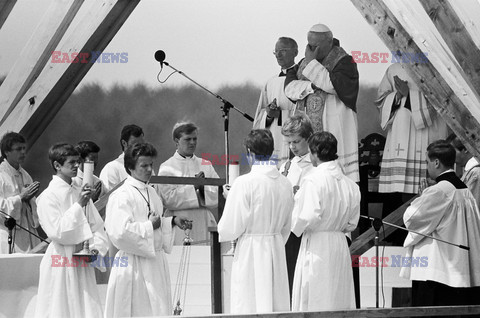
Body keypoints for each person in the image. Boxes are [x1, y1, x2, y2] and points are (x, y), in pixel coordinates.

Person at [104, 142, 192, 317]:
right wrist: (149, 226)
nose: (149, 170)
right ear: (130, 167)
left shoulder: (151, 192)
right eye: (144, 166)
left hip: (154, 262)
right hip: (133, 264)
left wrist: (172, 221)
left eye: (151, 165)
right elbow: (119, 232)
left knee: (157, 309)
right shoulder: (122, 195)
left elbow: (157, 221)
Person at [218, 129, 294, 314]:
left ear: (249, 152)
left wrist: (230, 198)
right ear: (271, 151)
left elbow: (230, 227)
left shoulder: (244, 183)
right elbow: (287, 225)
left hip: (251, 250)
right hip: (275, 247)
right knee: (274, 302)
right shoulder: (285, 183)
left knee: (249, 301)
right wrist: (273, 237)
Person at [400, 140, 480, 307]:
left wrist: (422, 197)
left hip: (437, 270)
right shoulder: (463, 189)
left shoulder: (439, 190)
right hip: (459, 265)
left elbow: (412, 218)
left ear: (436, 162)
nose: (426, 166)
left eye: (427, 162)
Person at [35, 143, 108, 317]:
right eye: (72, 162)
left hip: (82, 260)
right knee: (61, 307)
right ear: (57, 165)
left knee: (85, 306)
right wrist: (78, 206)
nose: (77, 166)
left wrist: (96, 247)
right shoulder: (47, 196)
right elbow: (57, 232)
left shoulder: (80, 190)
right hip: (61, 259)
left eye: (78, 161)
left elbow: (96, 225)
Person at [291, 131, 360, 311]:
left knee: (317, 293)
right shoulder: (350, 184)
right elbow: (352, 223)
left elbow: (307, 217)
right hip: (339, 243)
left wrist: (295, 225)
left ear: (314, 153)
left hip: (318, 244)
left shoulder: (313, 180)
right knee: (338, 294)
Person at [284, 23, 359, 182]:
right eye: (309, 45)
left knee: (335, 178)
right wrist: (311, 85)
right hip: (308, 125)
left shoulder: (345, 61)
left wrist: (312, 64)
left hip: (334, 124)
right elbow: (289, 89)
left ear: (329, 42)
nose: (312, 49)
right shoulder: (303, 62)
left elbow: (333, 85)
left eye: (316, 45)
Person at [375, 62, 448, 206]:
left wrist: (409, 95)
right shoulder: (393, 69)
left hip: (424, 134)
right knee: (395, 197)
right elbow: (380, 100)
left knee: (423, 193)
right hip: (398, 134)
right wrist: (397, 95)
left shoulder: (432, 67)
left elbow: (441, 98)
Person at [158, 122, 219, 245]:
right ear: (176, 141)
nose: (192, 142)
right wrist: (194, 188)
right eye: (187, 139)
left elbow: (218, 194)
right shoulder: (167, 167)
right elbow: (168, 199)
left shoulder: (205, 163)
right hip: (180, 223)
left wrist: (201, 189)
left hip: (203, 221)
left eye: (194, 139)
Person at [278, 113, 314, 297]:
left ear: (308, 138)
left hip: (305, 230)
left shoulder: (315, 165)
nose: (292, 147)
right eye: (289, 143)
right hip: (287, 229)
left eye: (296, 142)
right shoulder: (286, 165)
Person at [253, 37, 298, 167]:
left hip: (293, 142)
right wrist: (269, 115)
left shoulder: (302, 80)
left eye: (283, 50)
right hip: (274, 139)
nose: (278, 55)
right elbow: (259, 117)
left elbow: (305, 113)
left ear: (295, 52)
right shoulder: (270, 82)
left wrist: (281, 116)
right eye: (276, 51)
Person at [0, 132, 40, 253]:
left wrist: (29, 199)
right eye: (18, 149)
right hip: (7, 233)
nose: (23, 152)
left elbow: (32, 205)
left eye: (24, 148)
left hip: (28, 231)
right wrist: (21, 197)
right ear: (7, 152)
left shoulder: (25, 175)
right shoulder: (1, 175)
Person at [99, 124, 144, 192]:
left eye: (142, 145)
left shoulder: (147, 167)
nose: (140, 148)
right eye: (136, 145)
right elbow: (107, 199)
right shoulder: (112, 168)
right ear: (124, 143)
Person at [447, 133, 480, 207]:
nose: (450, 157)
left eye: (452, 152)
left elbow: (471, 209)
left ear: (465, 149)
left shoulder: (476, 173)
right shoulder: (471, 171)